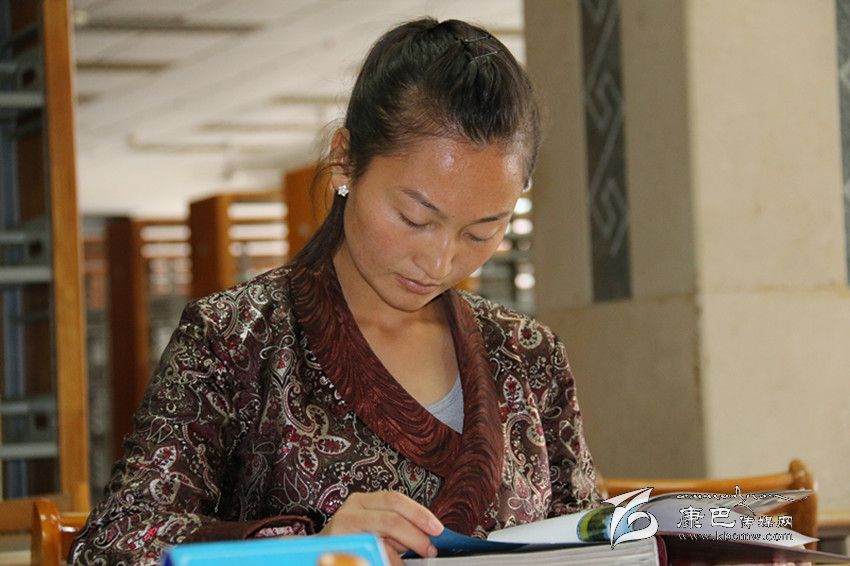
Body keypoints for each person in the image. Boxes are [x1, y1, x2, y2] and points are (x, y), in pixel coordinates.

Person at [70, 17, 600, 566]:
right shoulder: (237, 338)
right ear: (345, 159)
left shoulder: (529, 354)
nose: (440, 261)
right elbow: (113, 545)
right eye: (415, 218)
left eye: (480, 233)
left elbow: (588, 534)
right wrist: (306, 549)